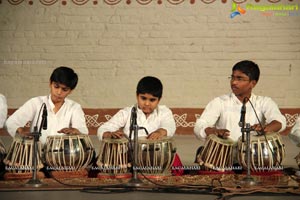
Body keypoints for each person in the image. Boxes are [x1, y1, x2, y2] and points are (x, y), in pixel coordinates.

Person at [193, 60, 286, 167]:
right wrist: (212, 131)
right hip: (223, 159)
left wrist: (266, 128)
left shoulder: (264, 102)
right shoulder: (220, 102)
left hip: (253, 160)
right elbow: (200, 125)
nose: (233, 82)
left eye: (240, 78)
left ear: (253, 83)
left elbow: (279, 121)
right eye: (232, 77)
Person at [5, 66, 88, 145]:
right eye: (56, 86)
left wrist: (76, 131)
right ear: (50, 83)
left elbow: (83, 131)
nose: (59, 92)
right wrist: (21, 130)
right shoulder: (36, 103)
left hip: (63, 156)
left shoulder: (74, 107)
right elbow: (11, 122)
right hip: (36, 153)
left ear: (70, 91)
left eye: (64, 89)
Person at [97, 76, 176, 140]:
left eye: (152, 100)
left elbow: (170, 126)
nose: (147, 103)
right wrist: (109, 134)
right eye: (143, 98)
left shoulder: (164, 111)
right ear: (137, 96)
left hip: (156, 154)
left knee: (174, 158)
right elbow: (103, 128)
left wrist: (160, 132)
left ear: (159, 100)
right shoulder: (127, 112)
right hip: (130, 154)